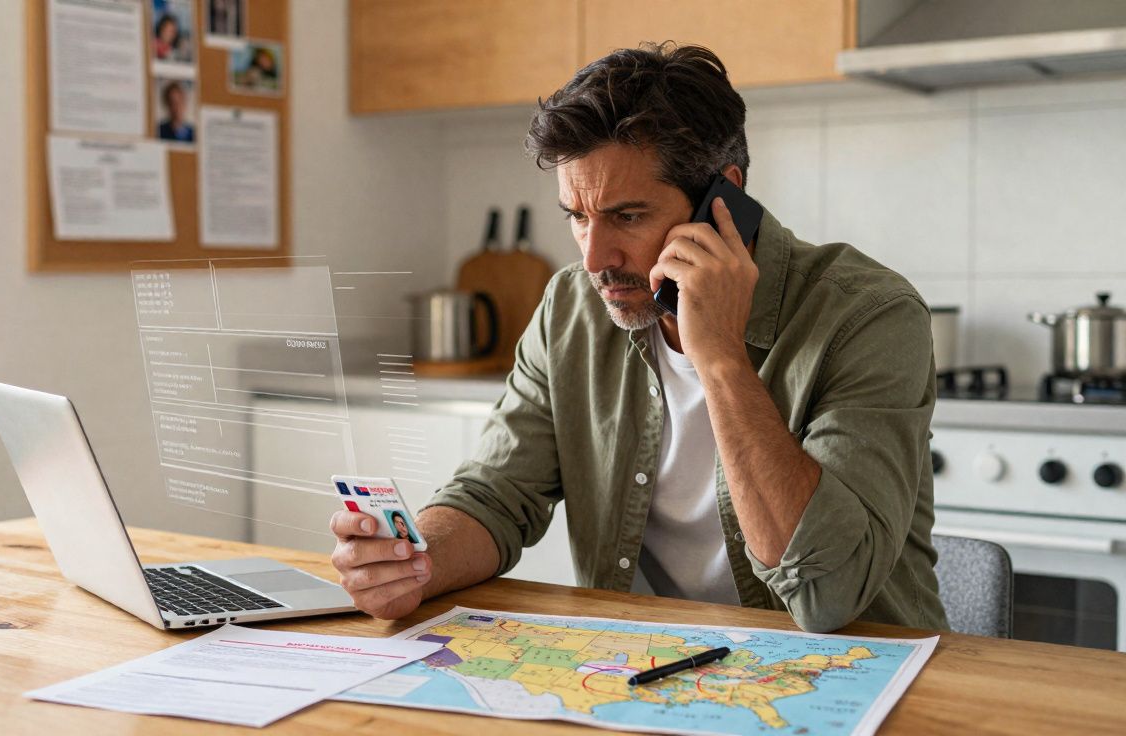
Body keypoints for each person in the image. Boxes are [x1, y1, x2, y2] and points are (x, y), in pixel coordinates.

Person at [330, 43, 948, 634]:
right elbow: (497, 493)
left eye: (627, 216)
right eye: (577, 217)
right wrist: (414, 562)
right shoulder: (572, 306)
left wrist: (723, 360)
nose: (595, 257)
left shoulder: (869, 315)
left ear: (723, 199)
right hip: (640, 670)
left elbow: (827, 592)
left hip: (852, 673)